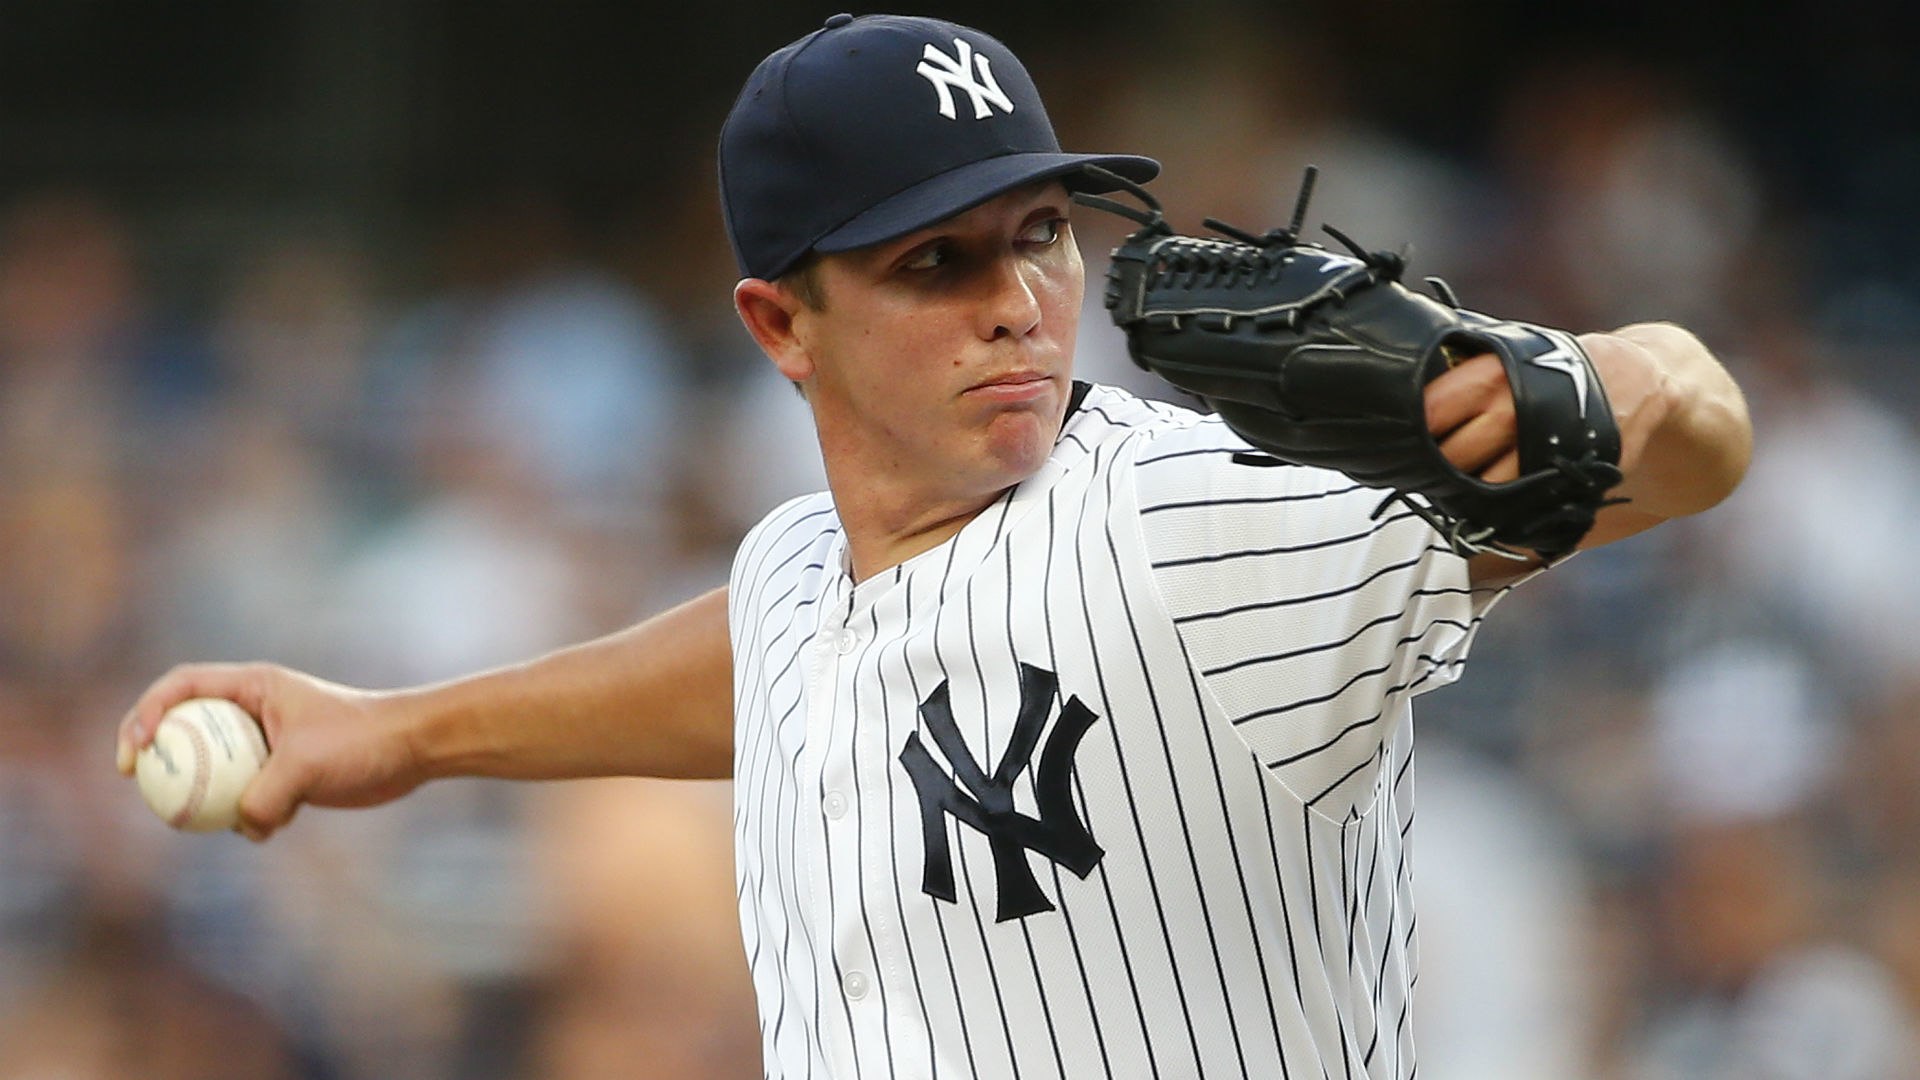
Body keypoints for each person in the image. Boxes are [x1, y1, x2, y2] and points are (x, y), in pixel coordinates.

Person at [116, 13, 1752, 1077]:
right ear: (781, 323)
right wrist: (397, 735)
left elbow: (1685, 434)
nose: (1017, 305)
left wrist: (1587, 385)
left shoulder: (1188, 528)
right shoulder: (794, 573)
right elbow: (760, 667)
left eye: (1039, 235)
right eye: (934, 262)